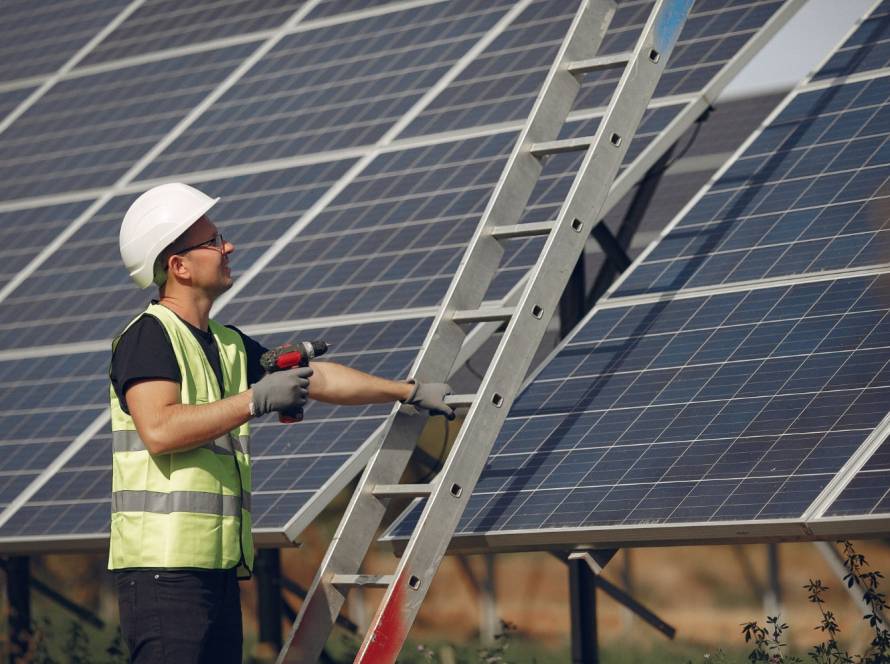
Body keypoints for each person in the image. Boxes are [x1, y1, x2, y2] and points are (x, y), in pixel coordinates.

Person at [109, 182, 454, 663]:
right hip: (164, 573)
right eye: (212, 242)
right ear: (178, 267)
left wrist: (408, 391)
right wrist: (254, 400)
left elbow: (317, 379)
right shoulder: (148, 338)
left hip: (216, 569)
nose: (227, 247)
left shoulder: (227, 343)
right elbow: (160, 429)